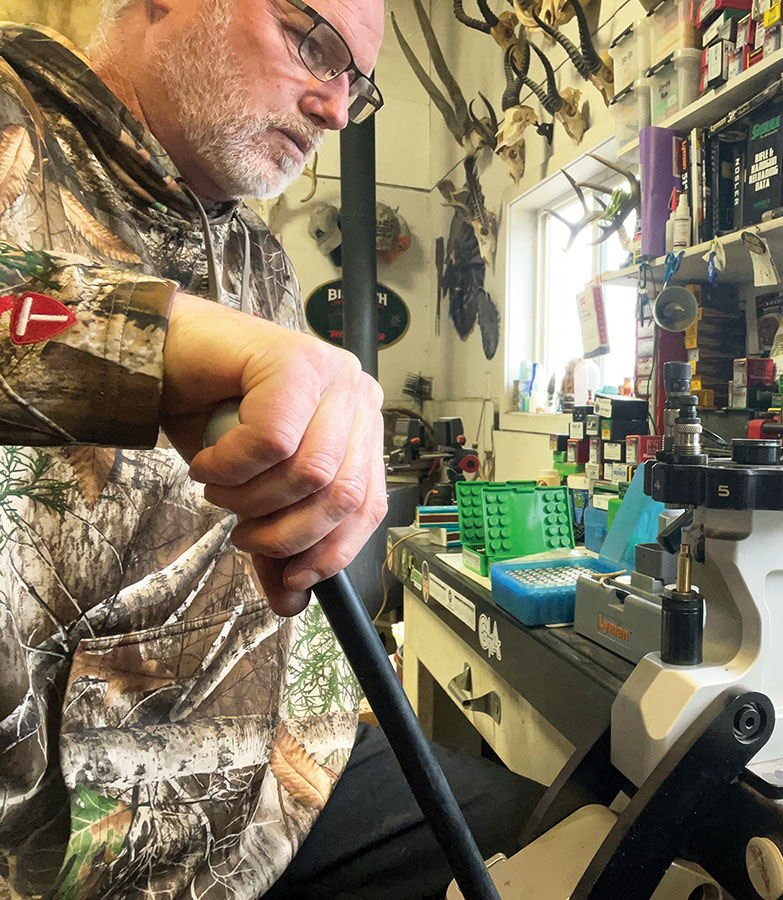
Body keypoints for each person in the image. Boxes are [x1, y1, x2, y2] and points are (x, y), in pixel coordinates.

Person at [0, 2, 538, 898]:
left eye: (356, 86)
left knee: (584, 843)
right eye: (313, 45)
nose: (334, 106)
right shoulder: (14, 113)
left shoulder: (255, 253)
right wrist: (154, 346)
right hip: (83, 846)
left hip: (298, 772)